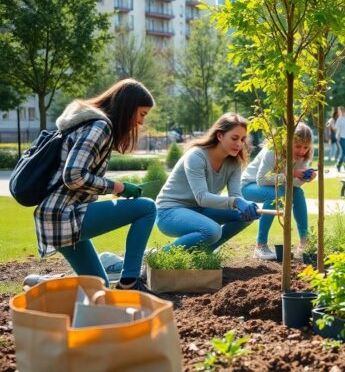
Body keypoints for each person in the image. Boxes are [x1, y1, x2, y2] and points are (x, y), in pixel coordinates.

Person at [33, 79, 156, 292]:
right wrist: (118, 187)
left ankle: (42, 287)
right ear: (128, 107)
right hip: (65, 215)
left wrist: (114, 188)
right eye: (142, 114)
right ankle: (130, 282)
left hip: (55, 217)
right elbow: (73, 175)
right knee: (147, 208)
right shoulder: (100, 126)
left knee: (99, 289)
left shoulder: (89, 123)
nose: (141, 123)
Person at [156, 113, 259, 252]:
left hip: (200, 209)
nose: (239, 144)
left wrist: (249, 207)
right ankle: (157, 256)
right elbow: (202, 197)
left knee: (244, 217)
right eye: (234, 138)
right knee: (212, 231)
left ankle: (204, 253)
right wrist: (236, 202)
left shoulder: (234, 163)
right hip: (169, 212)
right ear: (220, 136)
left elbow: (235, 194)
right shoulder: (196, 156)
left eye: (242, 139)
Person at [242, 122, 317, 260]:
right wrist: (292, 173)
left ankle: (304, 243)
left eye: (306, 147)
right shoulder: (272, 150)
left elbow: (294, 185)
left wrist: (304, 178)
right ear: (288, 142)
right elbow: (261, 179)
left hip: (274, 186)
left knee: (298, 193)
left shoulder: (302, 157)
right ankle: (260, 246)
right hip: (249, 186)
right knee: (274, 195)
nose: (302, 151)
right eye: (298, 146)